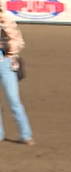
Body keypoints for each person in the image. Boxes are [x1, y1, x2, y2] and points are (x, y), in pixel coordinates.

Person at [0, 6, 32, 145]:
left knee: (14, 100)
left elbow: (19, 42)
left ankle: (26, 135)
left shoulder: (7, 21)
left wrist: (6, 47)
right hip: (6, 62)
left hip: (6, 62)